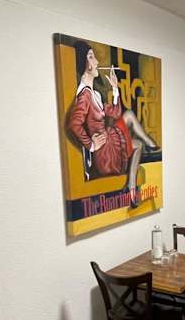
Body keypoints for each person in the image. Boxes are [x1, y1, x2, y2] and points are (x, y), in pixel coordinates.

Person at [66, 41, 160, 207]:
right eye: (91, 57)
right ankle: (132, 186)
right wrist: (91, 145)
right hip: (104, 155)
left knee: (130, 120)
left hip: (108, 143)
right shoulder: (85, 96)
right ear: (85, 64)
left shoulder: (94, 93)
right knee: (137, 144)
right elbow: (74, 124)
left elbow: (115, 112)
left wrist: (115, 88)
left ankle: (132, 185)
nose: (96, 62)